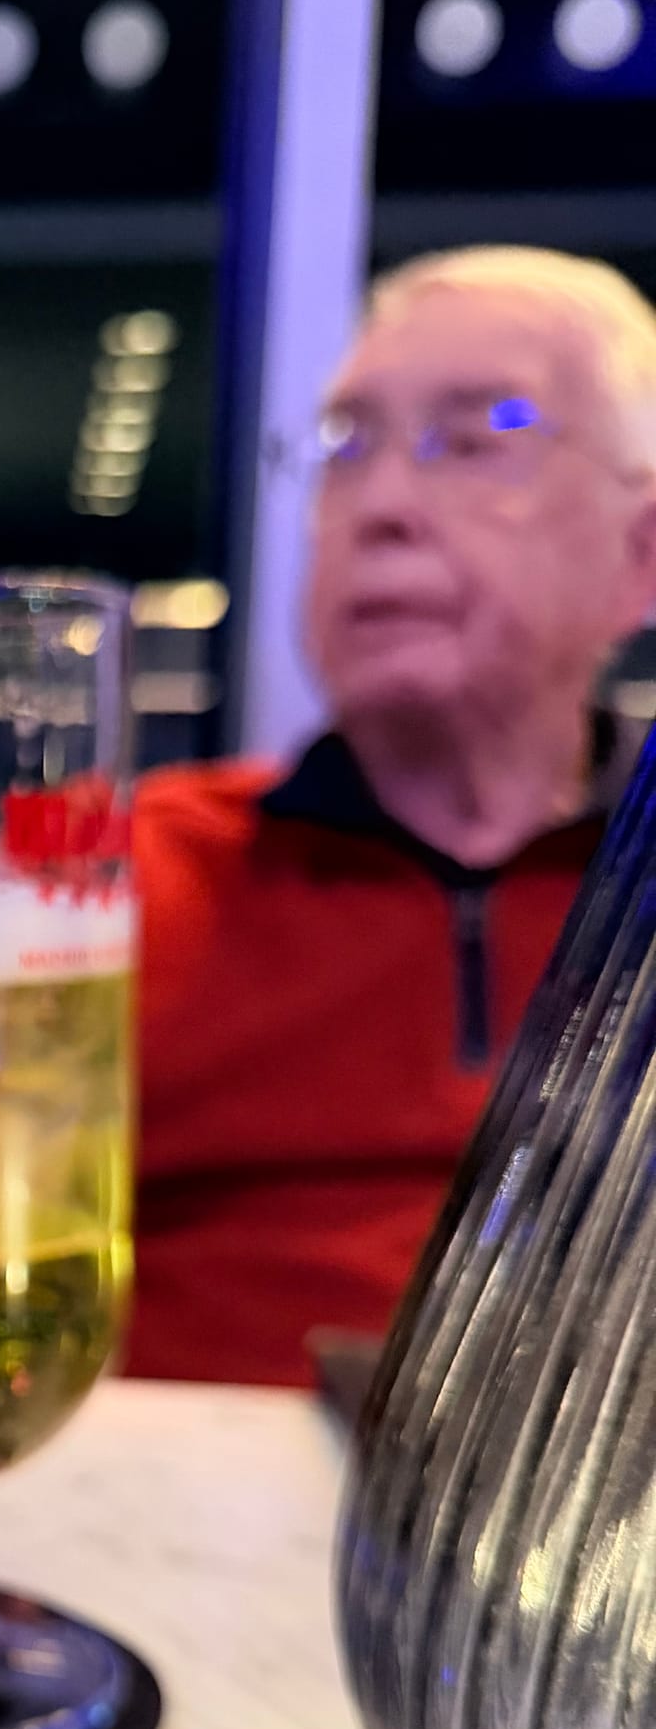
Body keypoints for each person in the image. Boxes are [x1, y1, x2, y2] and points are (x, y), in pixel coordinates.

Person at [129, 246, 656, 1389]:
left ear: (641, 554)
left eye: (474, 439)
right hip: (170, 1488)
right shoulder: (128, 878)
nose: (379, 507)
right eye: (343, 448)